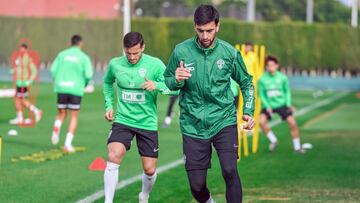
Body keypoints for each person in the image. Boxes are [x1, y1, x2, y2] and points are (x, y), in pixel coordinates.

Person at [164, 5, 255, 203]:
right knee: (197, 187)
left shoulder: (229, 53)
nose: (205, 36)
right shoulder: (181, 51)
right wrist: (176, 79)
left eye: (209, 30)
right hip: (192, 124)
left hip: (223, 119)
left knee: (230, 170)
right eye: (200, 30)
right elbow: (168, 80)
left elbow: (247, 83)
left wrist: (248, 110)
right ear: (194, 27)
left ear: (218, 26)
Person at [103, 32, 176, 203]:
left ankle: (144, 195)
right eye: (128, 53)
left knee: (149, 170)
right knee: (114, 156)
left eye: (136, 53)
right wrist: (109, 105)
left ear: (143, 47)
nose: (132, 57)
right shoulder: (115, 64)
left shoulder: (155, 64)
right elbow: (107, 83)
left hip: (147, 123)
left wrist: (156, 85)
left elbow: (174, 86)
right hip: (123, 120)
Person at [50, 35, 93, 152]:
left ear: (70, 43)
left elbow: (53, 70)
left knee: (61, 113)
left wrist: (58, 81)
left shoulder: (62, 54)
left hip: (61, 88)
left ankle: (57, 127)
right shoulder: (84, 57)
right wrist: (84, 84)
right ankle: (67, 144)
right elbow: (89, 75)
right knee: (73, 116)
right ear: (80, 44)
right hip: (75, 89)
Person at [258, 56, 305, 153]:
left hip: (282, 104)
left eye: (273, 65)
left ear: (277, 66)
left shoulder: (283, 78)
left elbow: (287, 91)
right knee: (261, 122)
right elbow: (261, 94)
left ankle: (297, 147)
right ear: (266, 67)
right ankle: (273, 140)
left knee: (293, 123)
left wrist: (288, 104)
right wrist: (267, 106)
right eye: (268, 65)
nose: (271, 67)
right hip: (269, 105)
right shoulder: (262, 79)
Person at [9, 43, 42, 125]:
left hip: (24, 83)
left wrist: (30, 80)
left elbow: (34, 70)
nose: (21, 51)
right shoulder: (19, 58)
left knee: (21, 100)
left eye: (22, 49)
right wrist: (14, 70)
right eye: (20, 49)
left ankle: (36, 111)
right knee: (17, 99)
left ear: (26, 50)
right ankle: (20, 118)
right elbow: (18, 67)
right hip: (19, 83)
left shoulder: (28, 58)